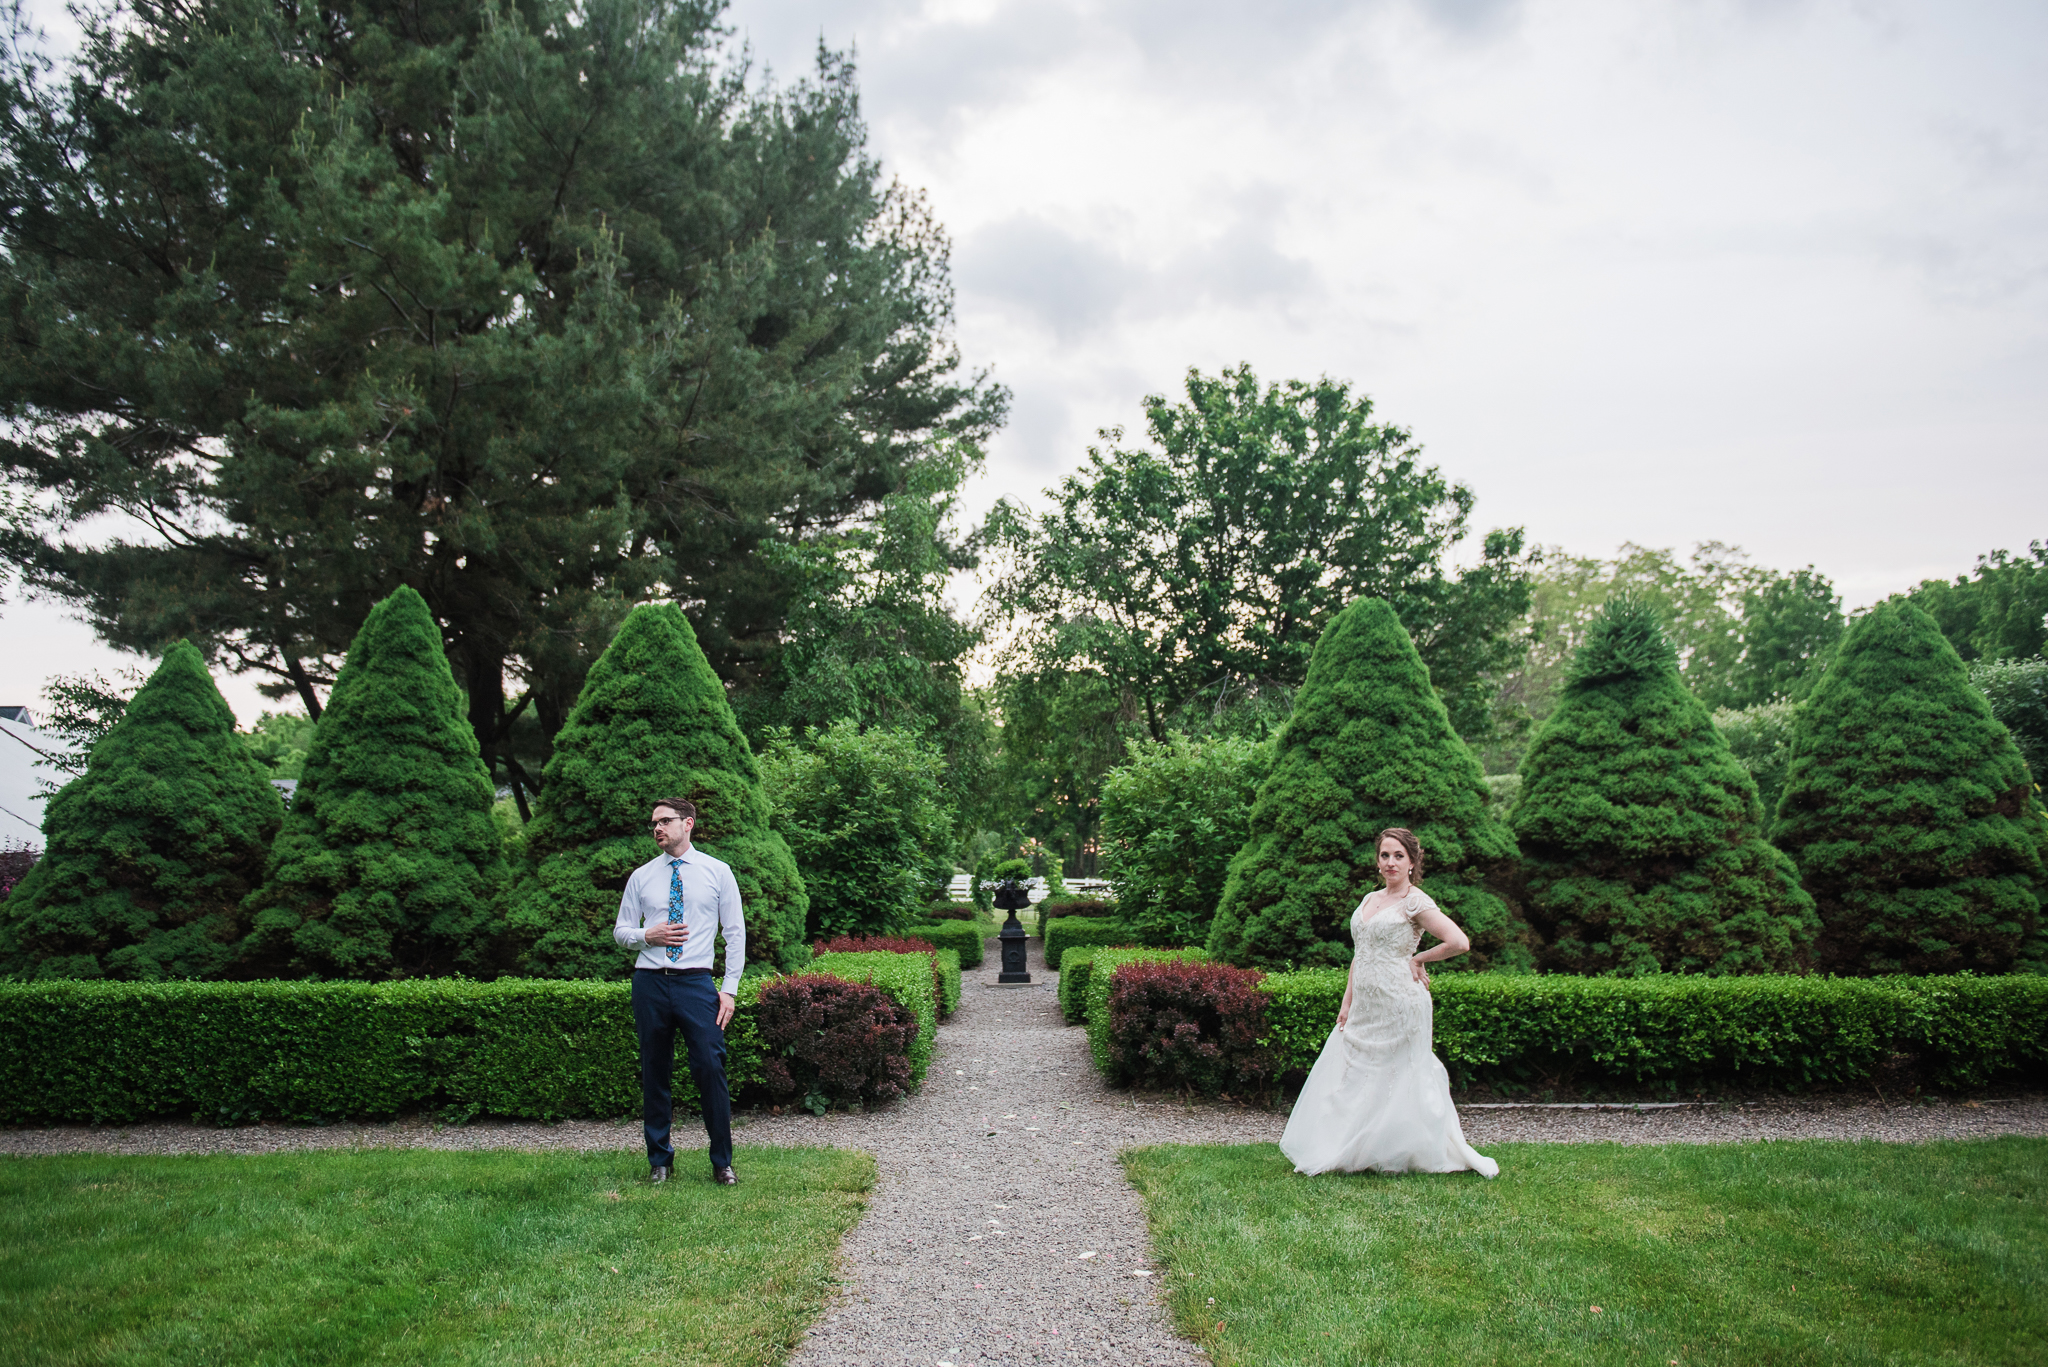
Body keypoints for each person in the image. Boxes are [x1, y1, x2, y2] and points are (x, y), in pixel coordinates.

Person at [1278, 827, 1499, 1179]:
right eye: (1385, 855)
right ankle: (1352, 1149)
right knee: (1356, 1075)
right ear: (1377, 860)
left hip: (1401, 1002)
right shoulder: (1369, 899)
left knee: (1398, 1076)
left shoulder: (1416, 902)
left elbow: (1459, 941)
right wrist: (1346, 1002)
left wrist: (1419, 958)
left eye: (1399, 856)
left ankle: (1401, 1150)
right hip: (1365, 1004)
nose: (1391, 862)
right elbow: (1359, 955)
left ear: (1412, 862)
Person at [614, 797, 745, 1186]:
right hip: (650, 983)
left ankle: (722, 1162)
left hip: (695, 983)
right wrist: (646, 935)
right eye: (653, 823)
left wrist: (729, 990)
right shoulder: (641, 877)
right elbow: (621, 932)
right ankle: (660, 1161)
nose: (657, 828)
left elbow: (734, 934)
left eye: (665, 821)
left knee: (710, 1068)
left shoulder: (717, 872)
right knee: (654, 1071)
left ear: (687, 823)